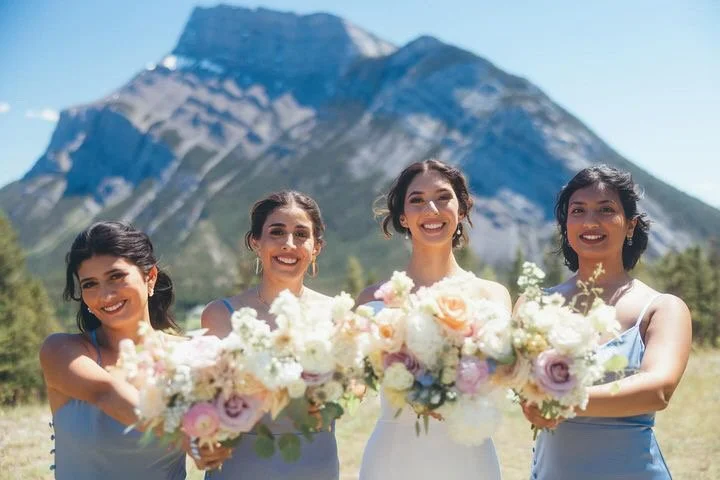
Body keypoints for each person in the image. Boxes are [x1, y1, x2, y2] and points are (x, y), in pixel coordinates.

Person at [522, 165, 692, 479]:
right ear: (566, 224)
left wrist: (562, 402)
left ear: (630, 225)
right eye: (578, 210)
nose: (590, 221)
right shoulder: (534, 304)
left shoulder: (662, 309)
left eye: (606, 209)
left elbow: (657, 390)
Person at [357, 159, 508, 480]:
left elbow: (506, 375)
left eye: (443, 197)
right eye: (416, 200)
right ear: (402, 217)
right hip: (392, 459)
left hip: (470, 459)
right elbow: (353, 384)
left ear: (462, 209)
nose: (431, 209)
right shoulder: (373, 300)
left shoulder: (492, 296)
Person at [41, 221, 227, 479]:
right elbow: (107, 393)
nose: (105, 295)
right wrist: (184, 437)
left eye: (116, 277)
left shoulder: (191, 356)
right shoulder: (62, 351)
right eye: (90, 284)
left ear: (150, 277)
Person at [201, 190, 339, 479]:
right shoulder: (221, 315)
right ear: (256, 242)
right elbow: (205, 398)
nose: (289, 244)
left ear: (317, 247)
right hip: (242, 467)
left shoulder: (337, 314)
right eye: (277, 232)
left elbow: (352, 391)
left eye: (301, 234)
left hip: (315, 464)